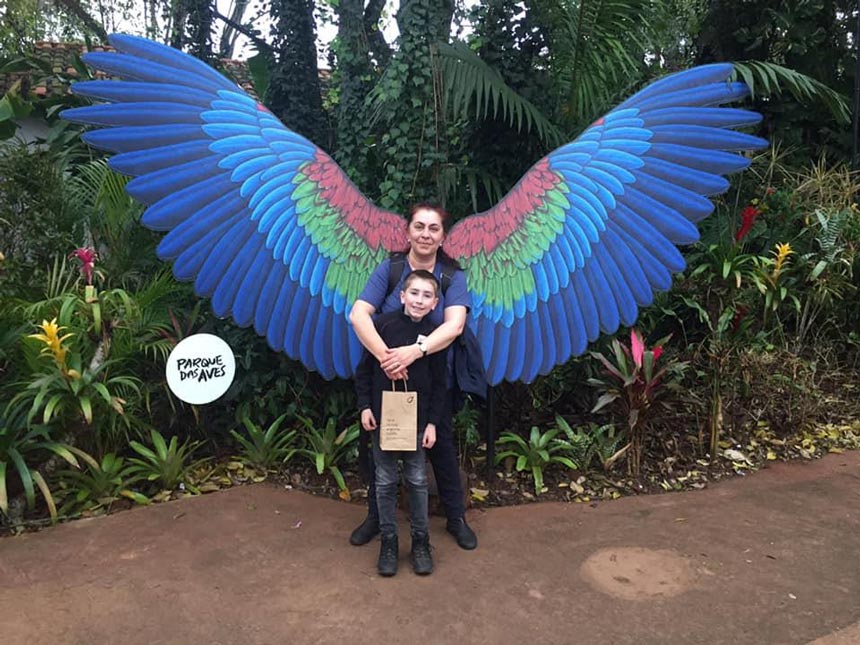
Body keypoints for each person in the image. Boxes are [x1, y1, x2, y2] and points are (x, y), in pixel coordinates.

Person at [349, 203, 478, 551]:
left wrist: (416, 351)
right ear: (407, 232)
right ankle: (376, 518)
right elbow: (359, 314)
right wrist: (386, 359)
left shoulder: (452, 277)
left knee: (441, 450)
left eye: (433, 228)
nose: (425, 234)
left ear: (442, 236)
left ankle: (456, 518)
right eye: (419, 226)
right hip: (386, 381)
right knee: (379, 451)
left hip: (433, 379)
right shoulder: (390, 270)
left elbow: (455, 325)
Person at [355, 270, 446, 576]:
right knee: (384, 481)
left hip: (417, 423)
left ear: (435, 303)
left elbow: (439, 384)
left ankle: (420, 541)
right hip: (383, 419)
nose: (419, 300)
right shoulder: (381, 325)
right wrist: (365, 406)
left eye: (427, 295)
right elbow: (365, 371)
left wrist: (433, 423)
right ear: (402, 296)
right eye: (414, 293)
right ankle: (389, 541)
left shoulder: (434, 337)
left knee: (418, 480)